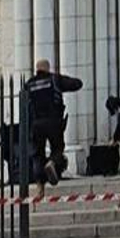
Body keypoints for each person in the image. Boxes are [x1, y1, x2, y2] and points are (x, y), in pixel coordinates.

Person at [22, 60, 83, 199]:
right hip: (53, 122)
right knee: (58, 148)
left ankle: (39, 187)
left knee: (37, 154)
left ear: (36, 69)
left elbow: (25, 105)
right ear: (47, 68)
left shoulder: (28, 84)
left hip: (36, 124)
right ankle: (52, 162)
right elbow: (77, 84)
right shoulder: (54, 79)